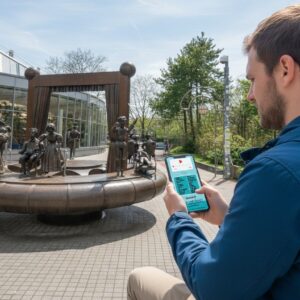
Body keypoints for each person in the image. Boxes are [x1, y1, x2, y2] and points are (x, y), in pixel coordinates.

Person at [127, 4, 300, 299]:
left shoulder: (275, 173)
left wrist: (179, 217)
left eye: (252, 80)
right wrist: (228, 217)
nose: (249, 95)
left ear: (284, 69)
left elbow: (212, 288)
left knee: (139, 278)